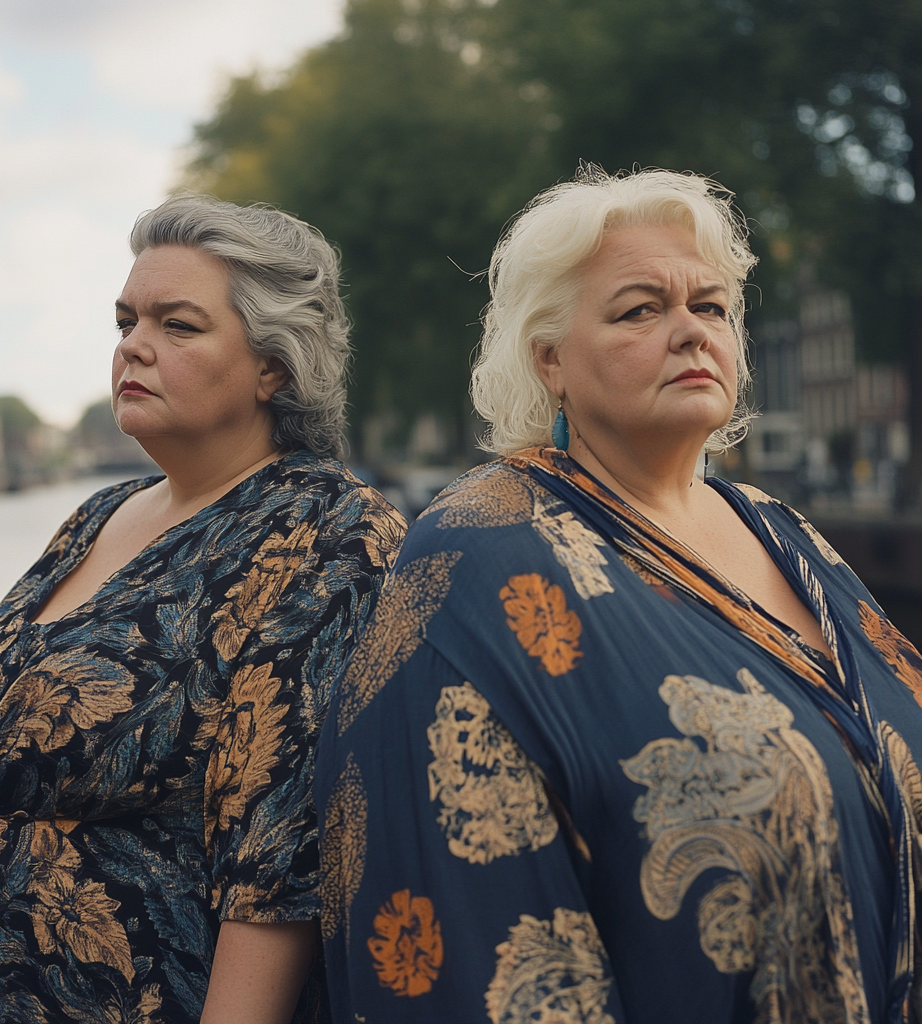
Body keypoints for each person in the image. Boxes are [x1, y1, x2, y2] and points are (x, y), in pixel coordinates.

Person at [315, 166, 922, 1023]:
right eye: (642, 309)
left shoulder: (787, 534)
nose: (690, 332)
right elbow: (473, 942)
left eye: (710, 307)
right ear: (550, 358)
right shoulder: (474, 557)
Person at [0, 194, 406, 1024]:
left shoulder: (330, 533)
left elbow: (279, 866)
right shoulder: (100, 514)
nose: (134, 345)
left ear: (274, 365)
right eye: (127, 320)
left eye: (179, 326)